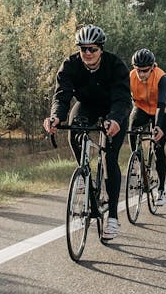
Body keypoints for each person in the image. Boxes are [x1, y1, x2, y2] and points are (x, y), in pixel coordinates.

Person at [42, 25, 132, 240]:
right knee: (74, 129)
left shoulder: (115, 65)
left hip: (113, 108)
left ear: (101, 49)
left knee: (110, 159)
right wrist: (55, 117)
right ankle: (83, 172)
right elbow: (62, 95)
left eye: (92, 49)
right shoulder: (70, 65)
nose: (87, 53)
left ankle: (112, 217)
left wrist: (116, 119)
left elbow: (122, 98)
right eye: (83, 49)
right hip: (87, 105)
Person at [127, 48, 166, 206]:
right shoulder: (131, 76)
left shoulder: (161, 78)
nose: (141, 74)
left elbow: (161, 105)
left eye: (145, 71)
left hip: (161, 111)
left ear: (152, 67)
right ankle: (137, 161)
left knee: (159, 148)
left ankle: (161, 190)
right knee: (131, 129)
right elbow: (123, 98)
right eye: (138, 70)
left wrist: (158, 127)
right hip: (142, 108)